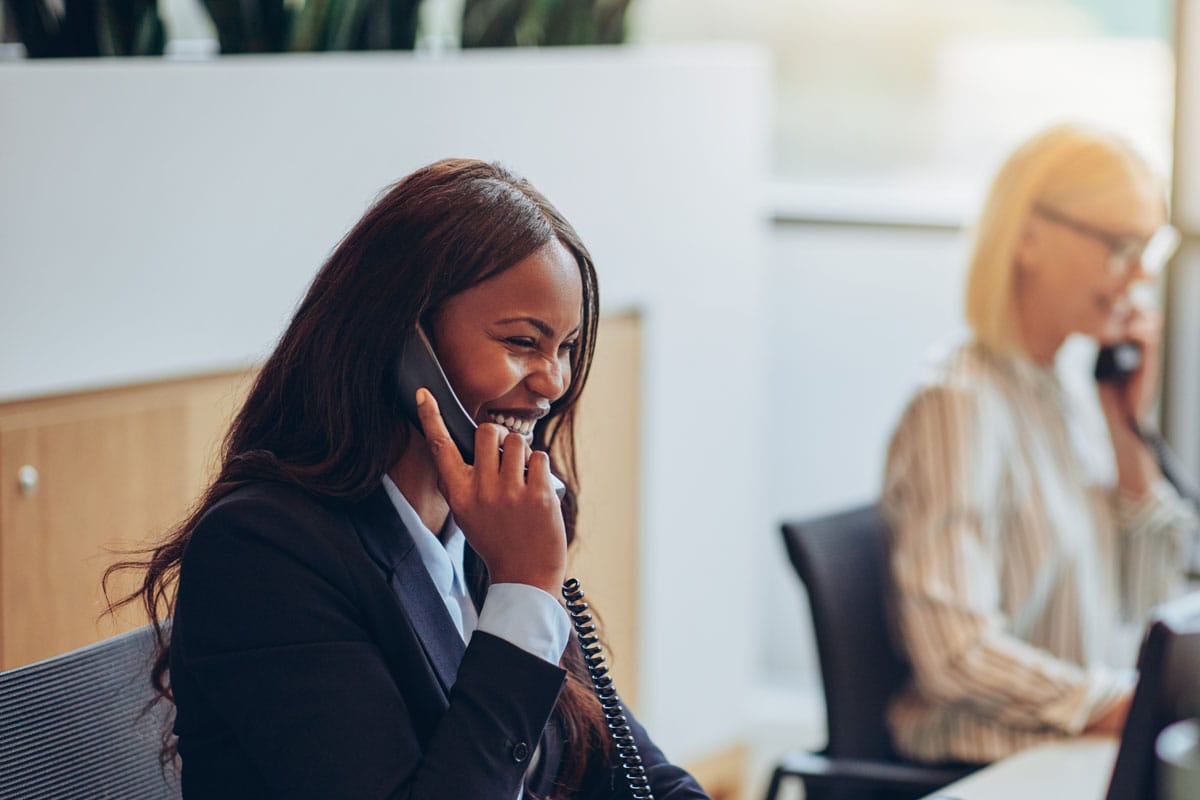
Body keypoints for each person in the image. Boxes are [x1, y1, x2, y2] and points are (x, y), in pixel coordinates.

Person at [110, 159, 709, 799]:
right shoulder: (265, 551)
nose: (554, 382)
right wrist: (526, 592)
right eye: (521, 342)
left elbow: (639, 777)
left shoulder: (482, 527)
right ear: (403, 341)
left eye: (564, 346)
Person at [881, 124, 1198, 765]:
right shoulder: (959, 402)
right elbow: (955, 650)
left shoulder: (1064, 392)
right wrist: (1117, 705)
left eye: (1149, 248)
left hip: (1071, 745)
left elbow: (1145, 603)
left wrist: (1127, 427)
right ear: (1028, 238)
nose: (1140, 274)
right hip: (987, 759)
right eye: (1121, 245)